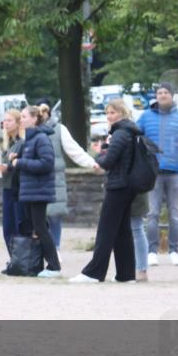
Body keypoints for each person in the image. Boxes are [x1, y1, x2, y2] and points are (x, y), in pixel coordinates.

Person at [70, 99, 141, 283]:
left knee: (106, 230)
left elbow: (108, 161)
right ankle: (126, 274)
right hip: (127, 186)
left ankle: (93, 273)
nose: (109, 116)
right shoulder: (130, 132)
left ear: (122, 113)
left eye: (113, 112)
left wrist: (99, 158)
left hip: (118, 186)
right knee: (122, 231)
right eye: (107, 113)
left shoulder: (120, 133)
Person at [136, 82, 178, 267]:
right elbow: (135, 139)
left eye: (166, 92)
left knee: (174, 213)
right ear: (156, 96)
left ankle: (174, 251)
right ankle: (152, 251)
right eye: (159, 92)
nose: (162, 95)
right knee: (152, 213)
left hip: (175, 172)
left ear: (172, 95)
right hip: (153, 173)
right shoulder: (145, 117)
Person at [35, 99, 99, 260]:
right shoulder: (29, 129)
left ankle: (55, 248)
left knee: (54, 215)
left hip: (54, 179)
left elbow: (74, 150)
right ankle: (40, 249)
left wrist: (91, 163)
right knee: (38, 217)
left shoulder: (59, 129)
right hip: (34, 178)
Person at [9, 105, 60, 277]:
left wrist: (21, 162)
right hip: (30, 190)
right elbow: (30, 160)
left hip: (39, 190)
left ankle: (54, 266)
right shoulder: (29, 139)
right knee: (36, 228)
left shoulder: (41, 138)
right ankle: (37, 264)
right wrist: (17, 159)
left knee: (40, 228)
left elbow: (46, 163)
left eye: (24, 117)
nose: (21, 120)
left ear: (34, 119)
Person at [0, 109, 24, 261]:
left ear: (18, 123)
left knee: (18, 226)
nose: (6, 123)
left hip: (18, 188)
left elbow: (21, 163)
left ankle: (21, 259)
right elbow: (2, 164)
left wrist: (9, 166)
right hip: (7, 187)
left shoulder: (22, 142)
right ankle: (14, 259)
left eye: (9, 120)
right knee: (8, 228)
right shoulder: (7, 144)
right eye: (4, 120)